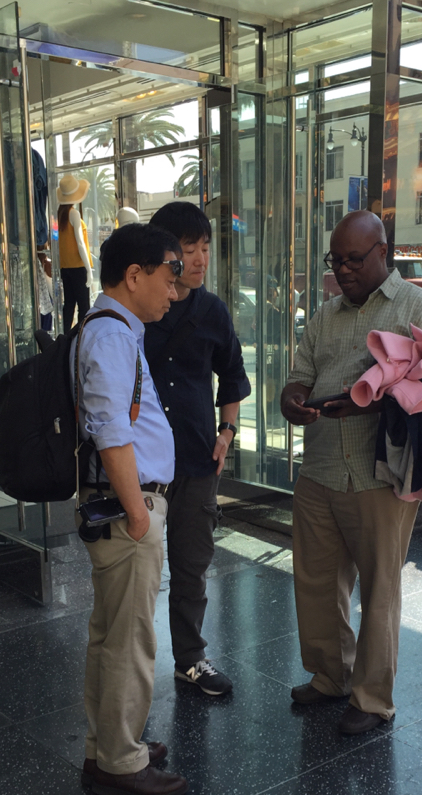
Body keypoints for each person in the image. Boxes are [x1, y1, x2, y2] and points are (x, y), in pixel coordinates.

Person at [280, 210, 422, 735]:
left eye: (354, 259)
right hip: (320, 468)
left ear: (383, 252)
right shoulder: (324, 315)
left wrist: (379, 399)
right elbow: (300, 376)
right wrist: (292, 399)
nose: (342, 270)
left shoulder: (419, 307)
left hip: (380, 475)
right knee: (317, 584)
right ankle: (331, 676)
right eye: (335, 261)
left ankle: (372, 699)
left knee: (380, 590)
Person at [74, 223, 188, 795]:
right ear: (135, 275)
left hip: (122, 506)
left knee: (109, 633)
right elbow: (111, 431)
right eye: (169, 276)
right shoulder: (112, 337)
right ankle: (122, 760)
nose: (175, 290)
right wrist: (139, 515)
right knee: (130, 639)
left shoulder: (108, 330)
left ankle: (106, 746)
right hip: (129, 509)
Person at [145, 202, 250, 696]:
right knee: (138, 572)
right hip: (141, 465)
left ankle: (189, 659)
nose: (201, 259)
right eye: (190, 249)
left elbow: (232, 376)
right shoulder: (140, 308)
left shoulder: (212, 311)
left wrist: (226, 432)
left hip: (196, 457)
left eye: (206, 248)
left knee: (192, 566)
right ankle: (133, 667)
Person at [57, 173, 93, 332]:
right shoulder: (74, 213)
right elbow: (80, 242)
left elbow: (56, 241)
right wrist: (88, 269)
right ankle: (81, 337)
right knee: (84, 306)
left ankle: (66, 337)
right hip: (78, 266)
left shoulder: (59, 215)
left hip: (65, 267)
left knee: (69, 305)